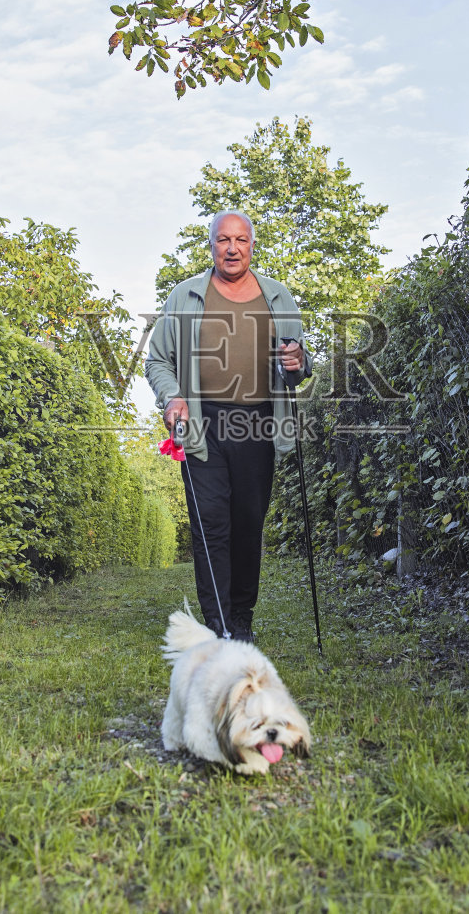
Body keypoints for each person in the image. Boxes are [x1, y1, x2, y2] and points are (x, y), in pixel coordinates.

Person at [145, 210, 311, 642]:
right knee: (211, 524)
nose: (232, 248)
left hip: (258, 424)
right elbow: (158, 361)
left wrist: (297, 362)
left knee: (247, 523)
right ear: (212, 245)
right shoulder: (184, 296)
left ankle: (242, 616)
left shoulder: (278, 298)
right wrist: (173, 396)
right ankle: (220, 626)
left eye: (240, 240)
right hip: (203, 424)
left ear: (252, 245)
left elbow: (297, 366)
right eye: (223, 240)